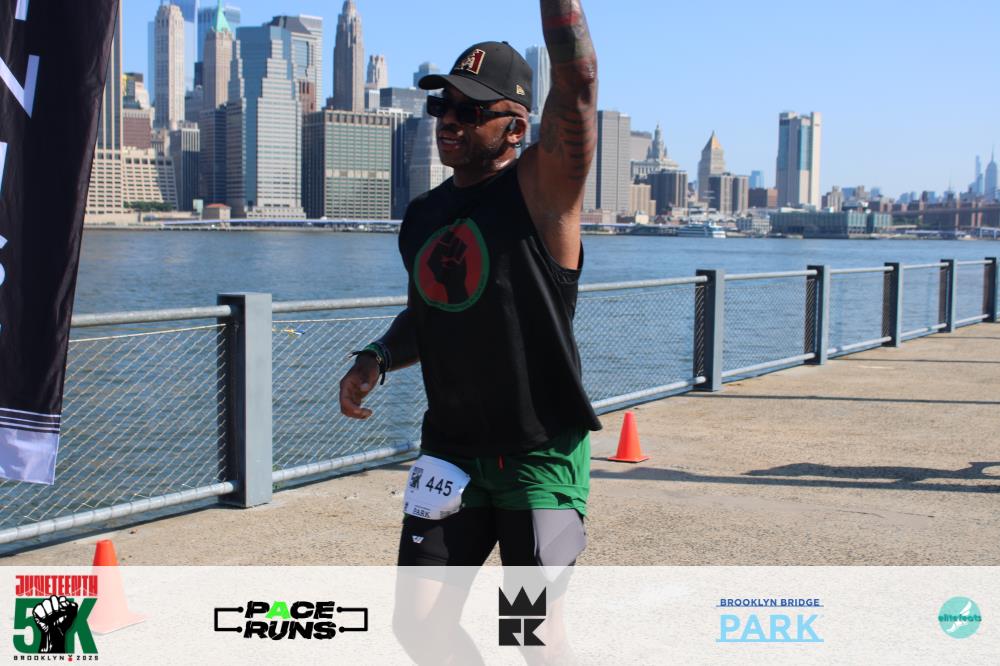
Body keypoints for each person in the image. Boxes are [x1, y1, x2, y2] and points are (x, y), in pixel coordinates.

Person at [339, 1, 597, 660]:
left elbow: (578, 86)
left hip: (538, 457)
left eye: (471, 110)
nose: (450, 120)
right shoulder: (424, 215)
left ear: (516, 128)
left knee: (529, 631)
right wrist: (376, 357)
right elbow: (430, 312)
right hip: (451, 452)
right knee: (418, 624)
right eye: (442, 106)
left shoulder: (543, 193)